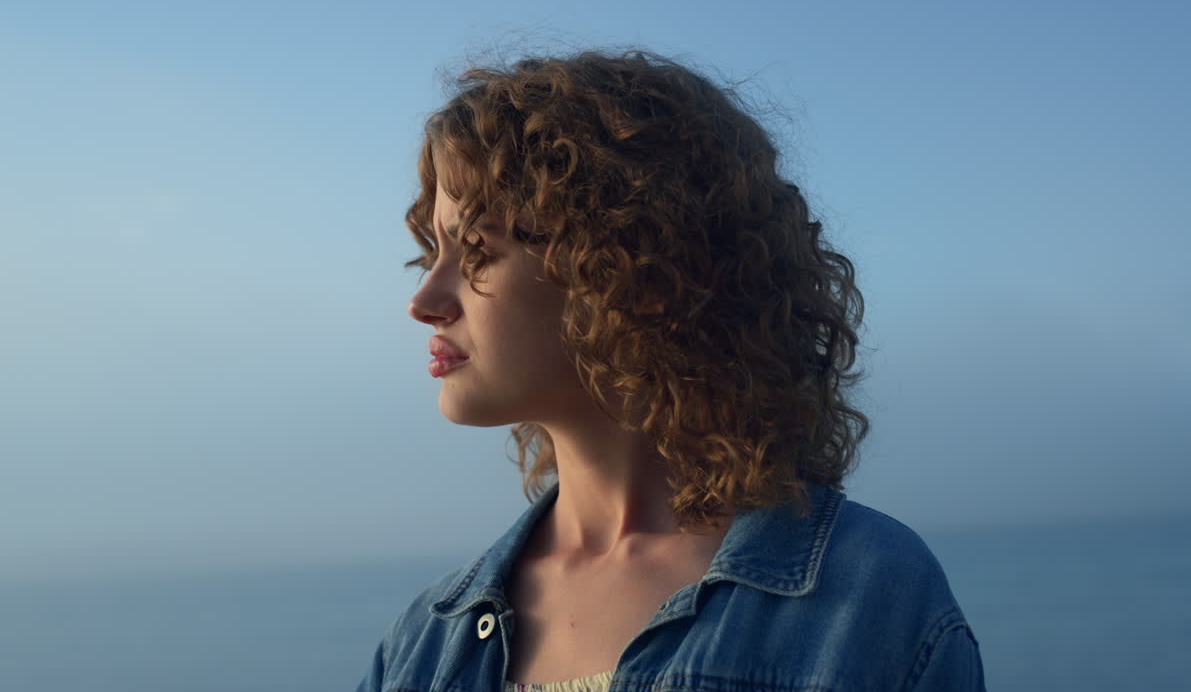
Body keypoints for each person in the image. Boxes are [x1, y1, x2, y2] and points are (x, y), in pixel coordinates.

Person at [357, 48, 985, 692]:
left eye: (479, 251)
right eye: (431, 253)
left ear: (625, 268)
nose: (424, 303)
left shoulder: (871, 600)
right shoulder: (425, 641)